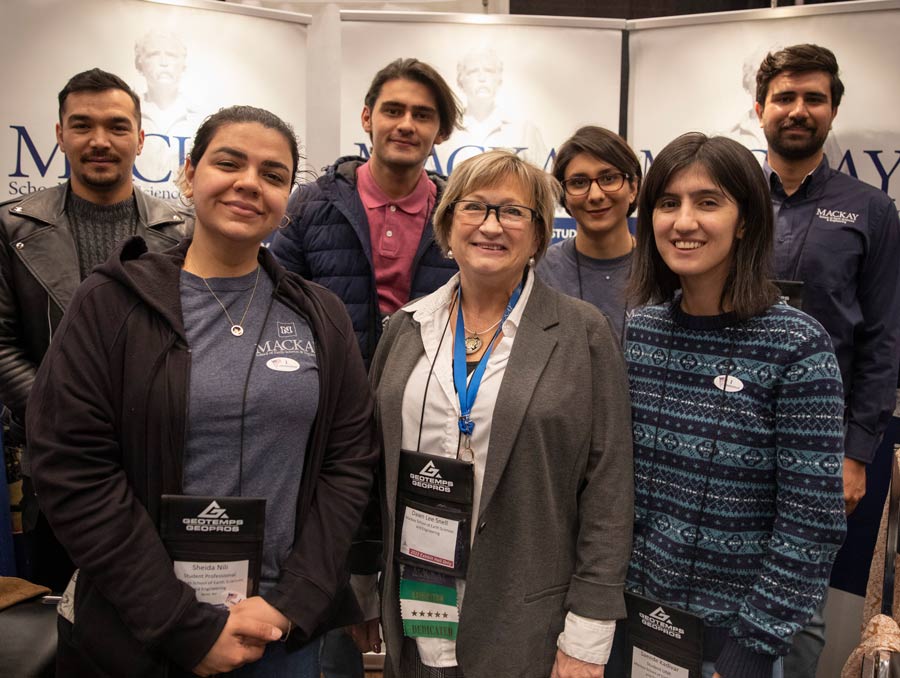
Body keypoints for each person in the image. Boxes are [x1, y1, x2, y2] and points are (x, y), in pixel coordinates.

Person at [26, 105, 376, 677]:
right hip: (141, 633)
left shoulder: (321, 316)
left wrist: (293, 601)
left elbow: (349, 462)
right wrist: (183, 627)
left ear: (287, 198)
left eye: (272, 175)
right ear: (189, 174)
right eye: (229, 162)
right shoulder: (110, 304)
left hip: (280, 634)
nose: (249, 184)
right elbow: (73, 469)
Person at [369, 149, 634, 677]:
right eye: (474, 208)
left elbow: (609, 488)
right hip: (417, 606)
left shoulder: (582, 334)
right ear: (447, 224)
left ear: (539, 235)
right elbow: (369, 467)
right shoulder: (405, 328)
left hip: (526, 623)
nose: (491, 225)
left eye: (513, 212)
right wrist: (359, 585)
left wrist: (587, 633)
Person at [618, 133, 846, 678]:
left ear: (745, 220)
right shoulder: (640, 333)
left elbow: (810, 522)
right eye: (668, 203)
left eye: (708, 202)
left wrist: (750, 650)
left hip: (732, 643)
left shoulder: (797, 345)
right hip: (635, 627)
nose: (684, 221)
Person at [0, 67, 191, 592]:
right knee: (64, 618)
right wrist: (63, 415)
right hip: (58, 465)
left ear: (140, 138)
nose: (100, 141)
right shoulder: (11, 227)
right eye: (82, 125)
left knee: (162, 612)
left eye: (116, 126)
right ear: (59, 134)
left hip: (162, 462)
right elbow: (1, 343)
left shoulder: (183, 231)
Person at [754, 44, 900, 676]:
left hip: (820, 442)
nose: (798, 110)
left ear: (832, 110)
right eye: (784, 97)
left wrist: (856, 451)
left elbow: (884, 338)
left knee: (802, 614)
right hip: (729, 422)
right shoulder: (723, 201)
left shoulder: (871, 209)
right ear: (759, 108)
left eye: (813, 98)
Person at [271, 57, 461, 368]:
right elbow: (278, 308)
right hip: (332, 393)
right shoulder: (310, 204)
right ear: (367, 118)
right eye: (393, 110)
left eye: (422, 115)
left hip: (428, 396)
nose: (406, 124)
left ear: (441, 132)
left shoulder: (459, 215)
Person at [536, 126, 641, 340]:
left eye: (609, 178)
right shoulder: (540, 271)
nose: (595, 195)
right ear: (564, 196)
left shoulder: (663, 271)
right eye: (579, 183)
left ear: (633, 188)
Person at [447, 46, 548, 170]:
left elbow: (544, 180)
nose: (482, 78)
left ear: (499, 80)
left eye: (489, 71)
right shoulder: (446, 131)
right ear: (460, 81)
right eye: (473, 71)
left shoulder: (525, 130)